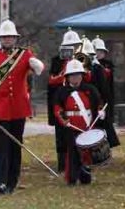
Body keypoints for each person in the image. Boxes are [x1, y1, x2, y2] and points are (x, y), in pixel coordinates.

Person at [0, 19, 44, 195]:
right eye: (5, 37)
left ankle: (12, 181)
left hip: (18, 109)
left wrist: (36, 65)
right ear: (0, 38)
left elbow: (38, 69)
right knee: (0, 146)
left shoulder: (24, 54)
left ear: (15, 38)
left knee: (15, 145)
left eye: (11, 37)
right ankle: (0, 182)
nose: (8, 39)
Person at [53, 59, 104, 186]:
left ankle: (85, 177)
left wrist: (100, 111)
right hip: (71, 126)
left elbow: (99, 103)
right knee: (72, 153)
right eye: (72, 75)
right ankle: (71, 178)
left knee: (86, 153)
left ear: (82, 75)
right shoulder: (61, 92)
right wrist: (63, 120)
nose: (75, 77)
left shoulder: (90, 89)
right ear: (68, 77)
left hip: (87, 124)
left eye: (77, 74)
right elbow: (57, 108)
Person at [48, 28, 82, 173]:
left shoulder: (82, 59)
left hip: (77, 100)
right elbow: (51, 81)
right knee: (61, 134)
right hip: (61, 99)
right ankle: (62, 163)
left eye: (75, 46)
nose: (72, 49)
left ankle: (80, 161)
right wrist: (64, 73)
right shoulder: (56, 61)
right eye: (70, 46)